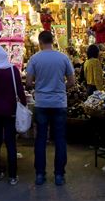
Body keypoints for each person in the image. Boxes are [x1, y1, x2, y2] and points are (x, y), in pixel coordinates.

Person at [26, 31, 74, 186]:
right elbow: (72, 81)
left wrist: (38, 87)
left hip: (41, 103)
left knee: (40, 139)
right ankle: (59, 175)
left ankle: (40, 175)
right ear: (52, 41)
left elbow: (28, 82)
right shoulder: (63, 57)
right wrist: (60, 88)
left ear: (40, 42)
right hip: (59, 103)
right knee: (60, 139)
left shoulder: (35, 58)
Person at [0, 45, 26, 186]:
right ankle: (12, 176)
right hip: (10, 111)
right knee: (10, 143)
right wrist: (23, 106)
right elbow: (20, 90)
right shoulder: (13, 70)